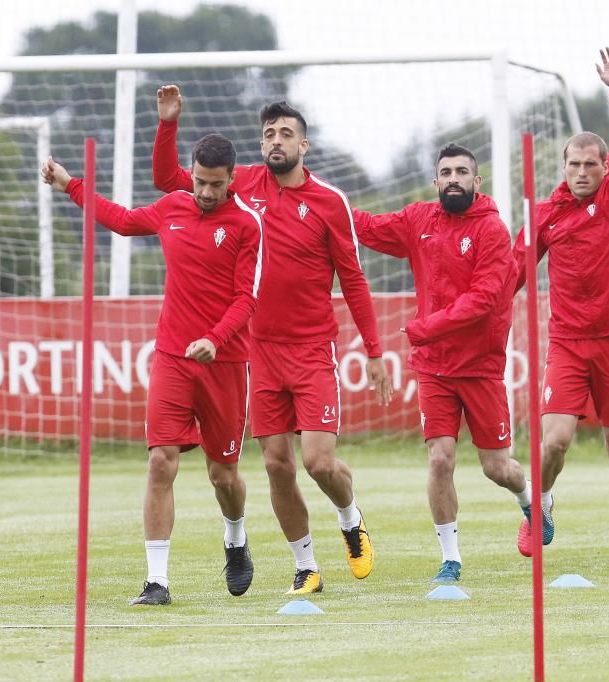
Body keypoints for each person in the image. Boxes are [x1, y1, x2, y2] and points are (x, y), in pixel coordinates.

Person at [153, 86, 392, 594]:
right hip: (259, 353)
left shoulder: (330, 201)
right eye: (268, 134)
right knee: (277, 465)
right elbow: (174, 180)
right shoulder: (240, 187)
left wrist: (373, 351)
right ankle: (306, 567)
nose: (275, 141)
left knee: (318, 462)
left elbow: (353, 280)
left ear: (304, 145)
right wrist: (168, 125)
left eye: (286, 133)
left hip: (311, 351)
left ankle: (351, 519)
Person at [41, 135, 263, 605]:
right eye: (200, 181)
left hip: (224, 363)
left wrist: (214, 339)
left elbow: (247, 298)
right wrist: (70, 186)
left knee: (224, 476)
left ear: (231, 180)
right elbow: (121, 221)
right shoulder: (172, 207)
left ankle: (236, 536)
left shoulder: (247, 225)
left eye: (215, 185)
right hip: (172, 358)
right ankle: (157, 581)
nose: (205, 192)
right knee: (161, 460)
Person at [351, 144, 530, 582]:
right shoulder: (418, 220)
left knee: (497, 468)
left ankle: (532, 500)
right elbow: (369, 227)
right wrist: (321, 198)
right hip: (433, 366)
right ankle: (451, 558)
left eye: (462, 172)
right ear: (435, 181)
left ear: (476, 181)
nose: (453, 178)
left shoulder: (492, 231)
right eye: (446, 171)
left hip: (480, 366)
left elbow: (486, 300)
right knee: (439, 460)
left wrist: (425, 327)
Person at [514, 48, 609, 565]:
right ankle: (541, 505)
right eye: (573, 164)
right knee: (555, 441)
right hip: (568, 343)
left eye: (590, 164)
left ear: (604, 166)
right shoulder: (546, 213)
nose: (581, 171)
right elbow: (513, 270)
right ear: (563, 165)